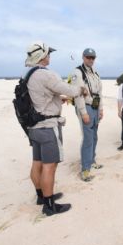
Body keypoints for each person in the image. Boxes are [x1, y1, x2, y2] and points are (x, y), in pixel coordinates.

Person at [24, 41, 87, 216]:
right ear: (42, 56)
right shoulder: (46, 74)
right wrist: (81, 89)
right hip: (47, 126)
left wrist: (59, 99)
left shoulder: (28, 73)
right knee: (49, 166)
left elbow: (42, 95)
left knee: (37, 163)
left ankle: (41, 196)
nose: (50, 56)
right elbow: (71, 90)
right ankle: (50, 205)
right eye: (48, 53)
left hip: (34, 127)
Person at [71, 48, 103, 182]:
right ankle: (85, 169)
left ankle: (92, 160)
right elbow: (78, 94)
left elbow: (99, 92)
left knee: (94, 136)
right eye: (88, 57)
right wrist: (83, 113)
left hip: (95, 107)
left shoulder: (95, 72)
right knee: (88, 138)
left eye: (93, 57)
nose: (91, 60)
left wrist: (101, 109)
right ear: (83, 57)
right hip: (86, 107)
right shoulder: (78, 72)